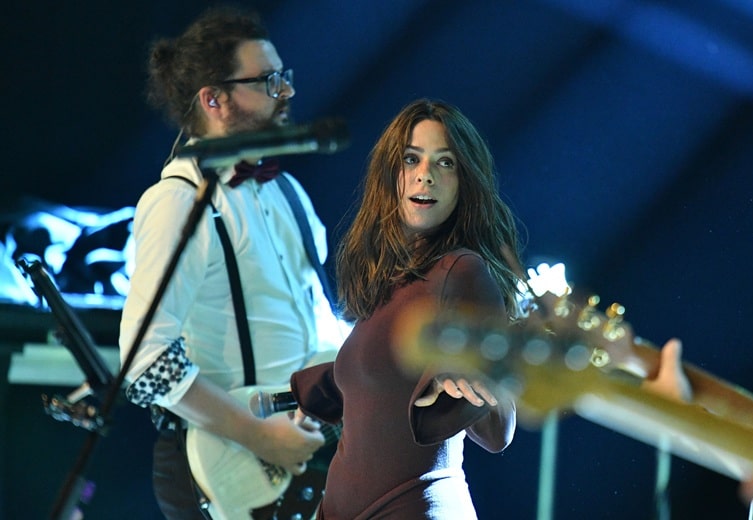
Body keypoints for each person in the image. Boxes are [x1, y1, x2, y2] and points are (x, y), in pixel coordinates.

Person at [118, 6, 344, 519]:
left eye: (284, 77)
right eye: (268, 81)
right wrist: (260, 436)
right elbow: (142, 360)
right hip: (233, 461)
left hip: (303, 447)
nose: (286, 92)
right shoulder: (177, 200)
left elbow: (318, 324)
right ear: (213, 99)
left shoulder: (285, 189)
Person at [289, 98, 521, 519]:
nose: (425, 175)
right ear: (390, 174)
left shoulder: (461, 270)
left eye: (445, 163)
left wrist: (467, 372)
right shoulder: (387, 282)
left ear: (464, 181)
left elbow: (499, 428)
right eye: (411, 158)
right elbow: (387, 383)